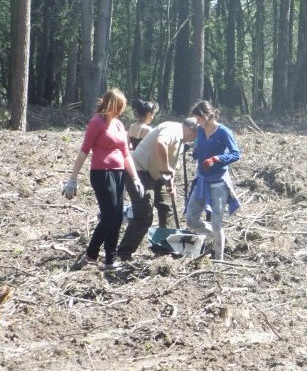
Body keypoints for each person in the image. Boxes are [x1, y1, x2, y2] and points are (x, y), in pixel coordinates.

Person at [62, 88, 144, 270]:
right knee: (109, 216)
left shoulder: (119, 125)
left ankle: (110, 259)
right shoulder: (96, 123)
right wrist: (72, 179)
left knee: (117, 217)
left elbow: (125, 154)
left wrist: (135, 178)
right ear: (111, 104)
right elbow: (84, 150)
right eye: (119, 106)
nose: (121, 110)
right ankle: (91, 254)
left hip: (118, 174)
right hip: (102, 174)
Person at [117, 118, 199, 260]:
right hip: (138, 171)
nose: (194, 139)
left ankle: (166, 249)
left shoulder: (181, 142)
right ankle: (124, 253)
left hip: (157, 176)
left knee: (167, 208)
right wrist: (165, 167)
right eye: (196, 135)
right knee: (144, 214)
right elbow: (160, 144)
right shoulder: (173, 128)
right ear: (191, 130)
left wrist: (170, 186)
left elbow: (170, 168)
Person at [185, 100, 241, 260]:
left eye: (200, 119)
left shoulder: (223, 132)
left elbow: (236, 154)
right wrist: (194, 151)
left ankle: (219, 258)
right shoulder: (201, 131)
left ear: (208, 116)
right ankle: (216, 236)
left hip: (218, 183)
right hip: (202, 180)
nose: (198, 122)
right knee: (191, 220)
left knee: (217, 222)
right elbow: (198, 146)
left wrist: (217, 158)